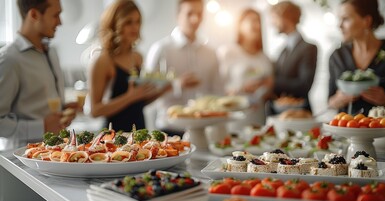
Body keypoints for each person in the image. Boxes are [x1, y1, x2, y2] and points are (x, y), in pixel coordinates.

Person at [0, 0, 77, 150]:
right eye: (55, 15)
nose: (60, 22)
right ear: (34, 14)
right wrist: (42, 126)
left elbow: (39, 104)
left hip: (58, 153)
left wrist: (63, 110)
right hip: (22, 161)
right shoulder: (9, 59)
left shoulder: (52, 52)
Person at [89, 0, 165, 132]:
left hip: (139, 132)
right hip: (114, 137)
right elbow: (95, 110)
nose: (135, 27)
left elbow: (138, 103)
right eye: (128, 22)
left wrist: (165, 89)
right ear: (115, 24)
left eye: (137, 21)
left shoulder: (137, 57)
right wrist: (131, 96)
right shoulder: (102, 60)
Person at [145, 0, 220, 135]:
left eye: (199, 14)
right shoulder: (161, 49)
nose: (195, 19)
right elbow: (147, 90)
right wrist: (176, 84)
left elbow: (217, 91)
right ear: (178, 15)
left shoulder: (211, 53)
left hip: (203, 128)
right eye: (189, 13)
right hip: (169, 128)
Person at [328, 0, 385, 115]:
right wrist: (339, 99)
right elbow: (329, 102)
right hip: (346, 128)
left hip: (383, 129)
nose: (339, 25)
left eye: (346, 19)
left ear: (366, 21)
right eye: (339, 19)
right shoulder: (336, 56)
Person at [217, 8, 273, 128]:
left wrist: (265, 89)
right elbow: (217, 88)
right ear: (239, 25)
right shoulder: (228, 52)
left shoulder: (264, 58)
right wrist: (241, 89)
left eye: (258, 21)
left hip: (258, 116)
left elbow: (269, 87)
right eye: (251, 20)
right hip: (234, 119)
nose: (256, 25)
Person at [268, 1, 318, 114]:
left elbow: (304, 85)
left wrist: (272, 82)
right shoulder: (282, 50)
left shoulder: (308, 48)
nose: (272, 23)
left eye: (274, 18)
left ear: (285, 17)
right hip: (279, 113)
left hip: (299, 115)